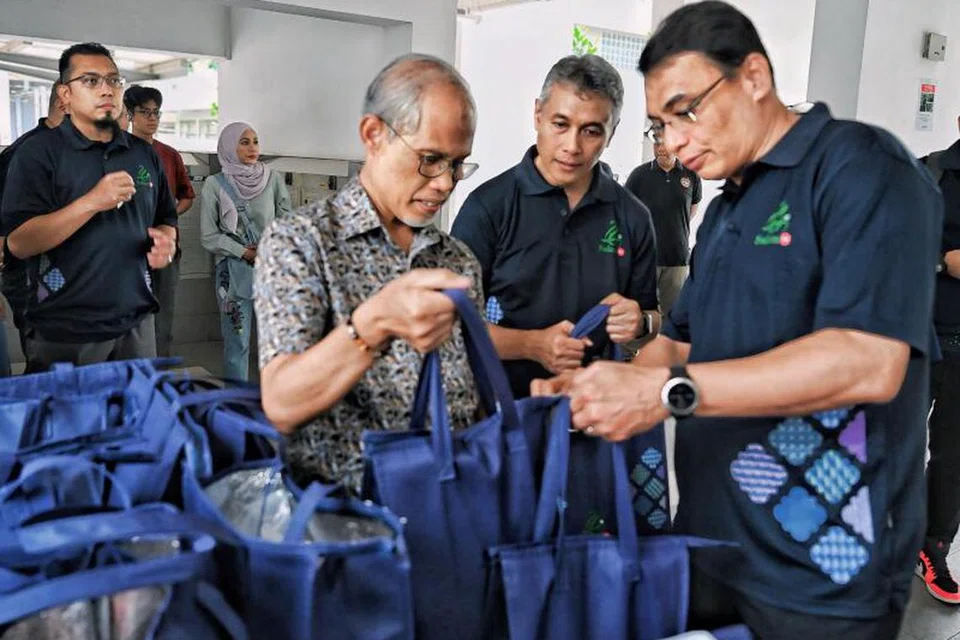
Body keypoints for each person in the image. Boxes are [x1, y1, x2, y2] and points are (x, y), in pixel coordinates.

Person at [533, 2, 941, 638]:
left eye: (686, 111)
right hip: (711, 546)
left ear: (754, 77)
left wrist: (665, 394)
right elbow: (675, 344)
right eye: (660, 125)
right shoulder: (725, 214)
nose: (674, 142)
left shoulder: (862, 171)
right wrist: (594, 390)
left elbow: (869, 361)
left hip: (821, 568)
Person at [254, 53, 484, 493]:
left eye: (457, 164)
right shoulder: (302, 243)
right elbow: (281, 401)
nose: (445, 182)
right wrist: (373, 324)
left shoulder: (456, 260)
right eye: (431, 159)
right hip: (348, 523)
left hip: (448, 508)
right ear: (373, 135)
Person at [451, 54, 659, 399]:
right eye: (560, 124)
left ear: (612, 132)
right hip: (500, 419)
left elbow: (648, 319)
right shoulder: (488, 208)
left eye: (592, 131)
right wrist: (531, 345)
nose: (572, 147)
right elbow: (451, 329)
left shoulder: (633, 217)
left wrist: (641, 324)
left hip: (594, 418)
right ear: (537, 114)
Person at [1, 42, 177, 373]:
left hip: (135, 322)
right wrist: (91, 202)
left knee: (134, 419)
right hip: (67, 328)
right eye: (91, 81)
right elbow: (19, 243)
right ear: (64, 95)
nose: (106, 89)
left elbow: (165, 217)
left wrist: (167, 242)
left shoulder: (142, 154)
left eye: (113, 80)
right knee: (75, 423)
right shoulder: (38, 153)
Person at [200, 123, 292, 381]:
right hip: (232, 274)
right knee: (237, 343)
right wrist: (242, 251)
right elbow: (208, 236)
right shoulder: (214, 184)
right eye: (244, 142)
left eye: (255, 141)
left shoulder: (272, 179)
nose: (252, 148)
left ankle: (276, 404)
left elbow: (287, 222)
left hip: (270, 271)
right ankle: (237, 404)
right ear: (230, 146)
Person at [916, 122, 960, 604]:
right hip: (922, 337)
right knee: (894, 444)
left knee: (953, 457)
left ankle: (933, 549)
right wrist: (945, 261)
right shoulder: (930, 172)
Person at [124, 85, 196, 358]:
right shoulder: (118, 151)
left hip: (164, 249)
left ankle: (160, 377)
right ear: (130, 114)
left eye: (156, 113)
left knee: (163, 317)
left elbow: (187, 196)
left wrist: (167, 219)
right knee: (130, 317)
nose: (152, 118)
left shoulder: (169, 154)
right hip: (128, 249)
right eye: (145, 112)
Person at [0, 81, 67, 374]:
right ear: (65, 103)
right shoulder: (26, 153)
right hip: (31, 273)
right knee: (48, 353)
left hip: (64, 270)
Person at [624, 140, 702, 314]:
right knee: (641, 315)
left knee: (671, 315)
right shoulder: (639, 175)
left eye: (665, 145)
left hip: (677, 258)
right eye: (656, 144)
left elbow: (691, 209)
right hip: (645, 258)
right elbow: (626, 209)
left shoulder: (691, 176)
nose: (660, 149)